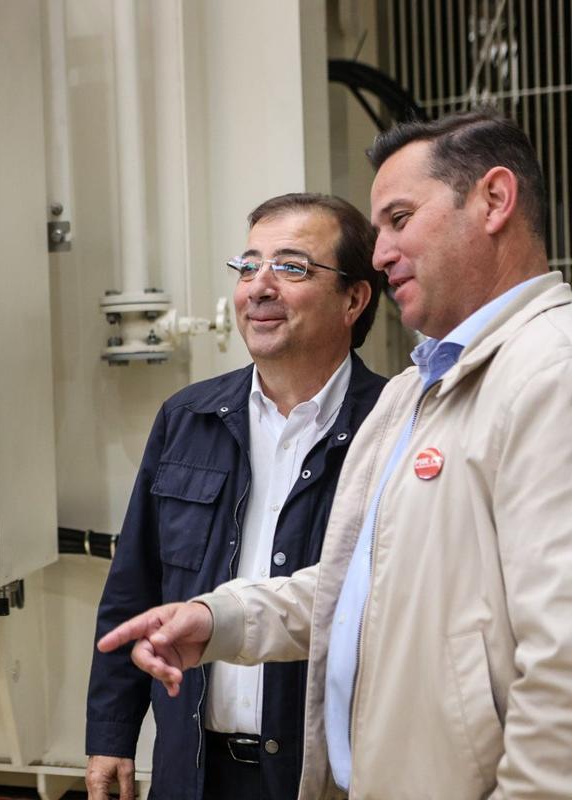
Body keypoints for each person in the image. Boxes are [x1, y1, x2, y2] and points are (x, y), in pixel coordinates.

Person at [99, 110, 572, 799]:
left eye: (400, 219)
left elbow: (562, 658)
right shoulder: (418, 392)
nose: (381, 255)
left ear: (494, 200)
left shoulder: (548, 374)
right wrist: (219, 617)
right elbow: (359, 587)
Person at [86, 194, 386, 800]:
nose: (259, 287)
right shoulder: (188, 417)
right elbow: (134, 585)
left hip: (326, 774)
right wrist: (111, 733)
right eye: (248, 267)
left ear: (355, 299)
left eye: (292, 267)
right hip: (194, 767)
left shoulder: (390, 427)